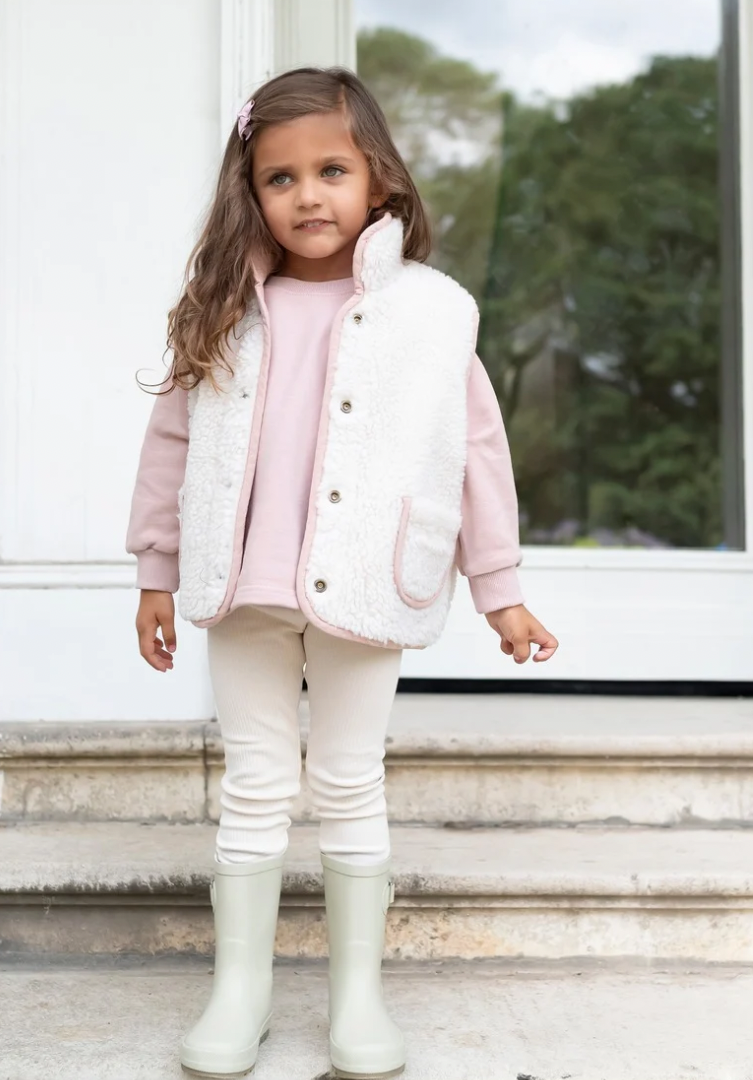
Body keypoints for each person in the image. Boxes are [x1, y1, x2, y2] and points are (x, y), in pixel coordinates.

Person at [126, 66, 558, 1080]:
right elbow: (170, 444)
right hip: (243, 587)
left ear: (379, 181)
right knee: (255, 782)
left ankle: (358, 999)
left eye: (331, 171)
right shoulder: (223, 307)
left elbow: (474, 450)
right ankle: (240, 993)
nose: (308, 196)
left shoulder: (433, 313)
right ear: (250, 192)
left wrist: (499, 588)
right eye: (280, 178)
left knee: (351, 778)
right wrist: (155, 570)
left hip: (367, 581)